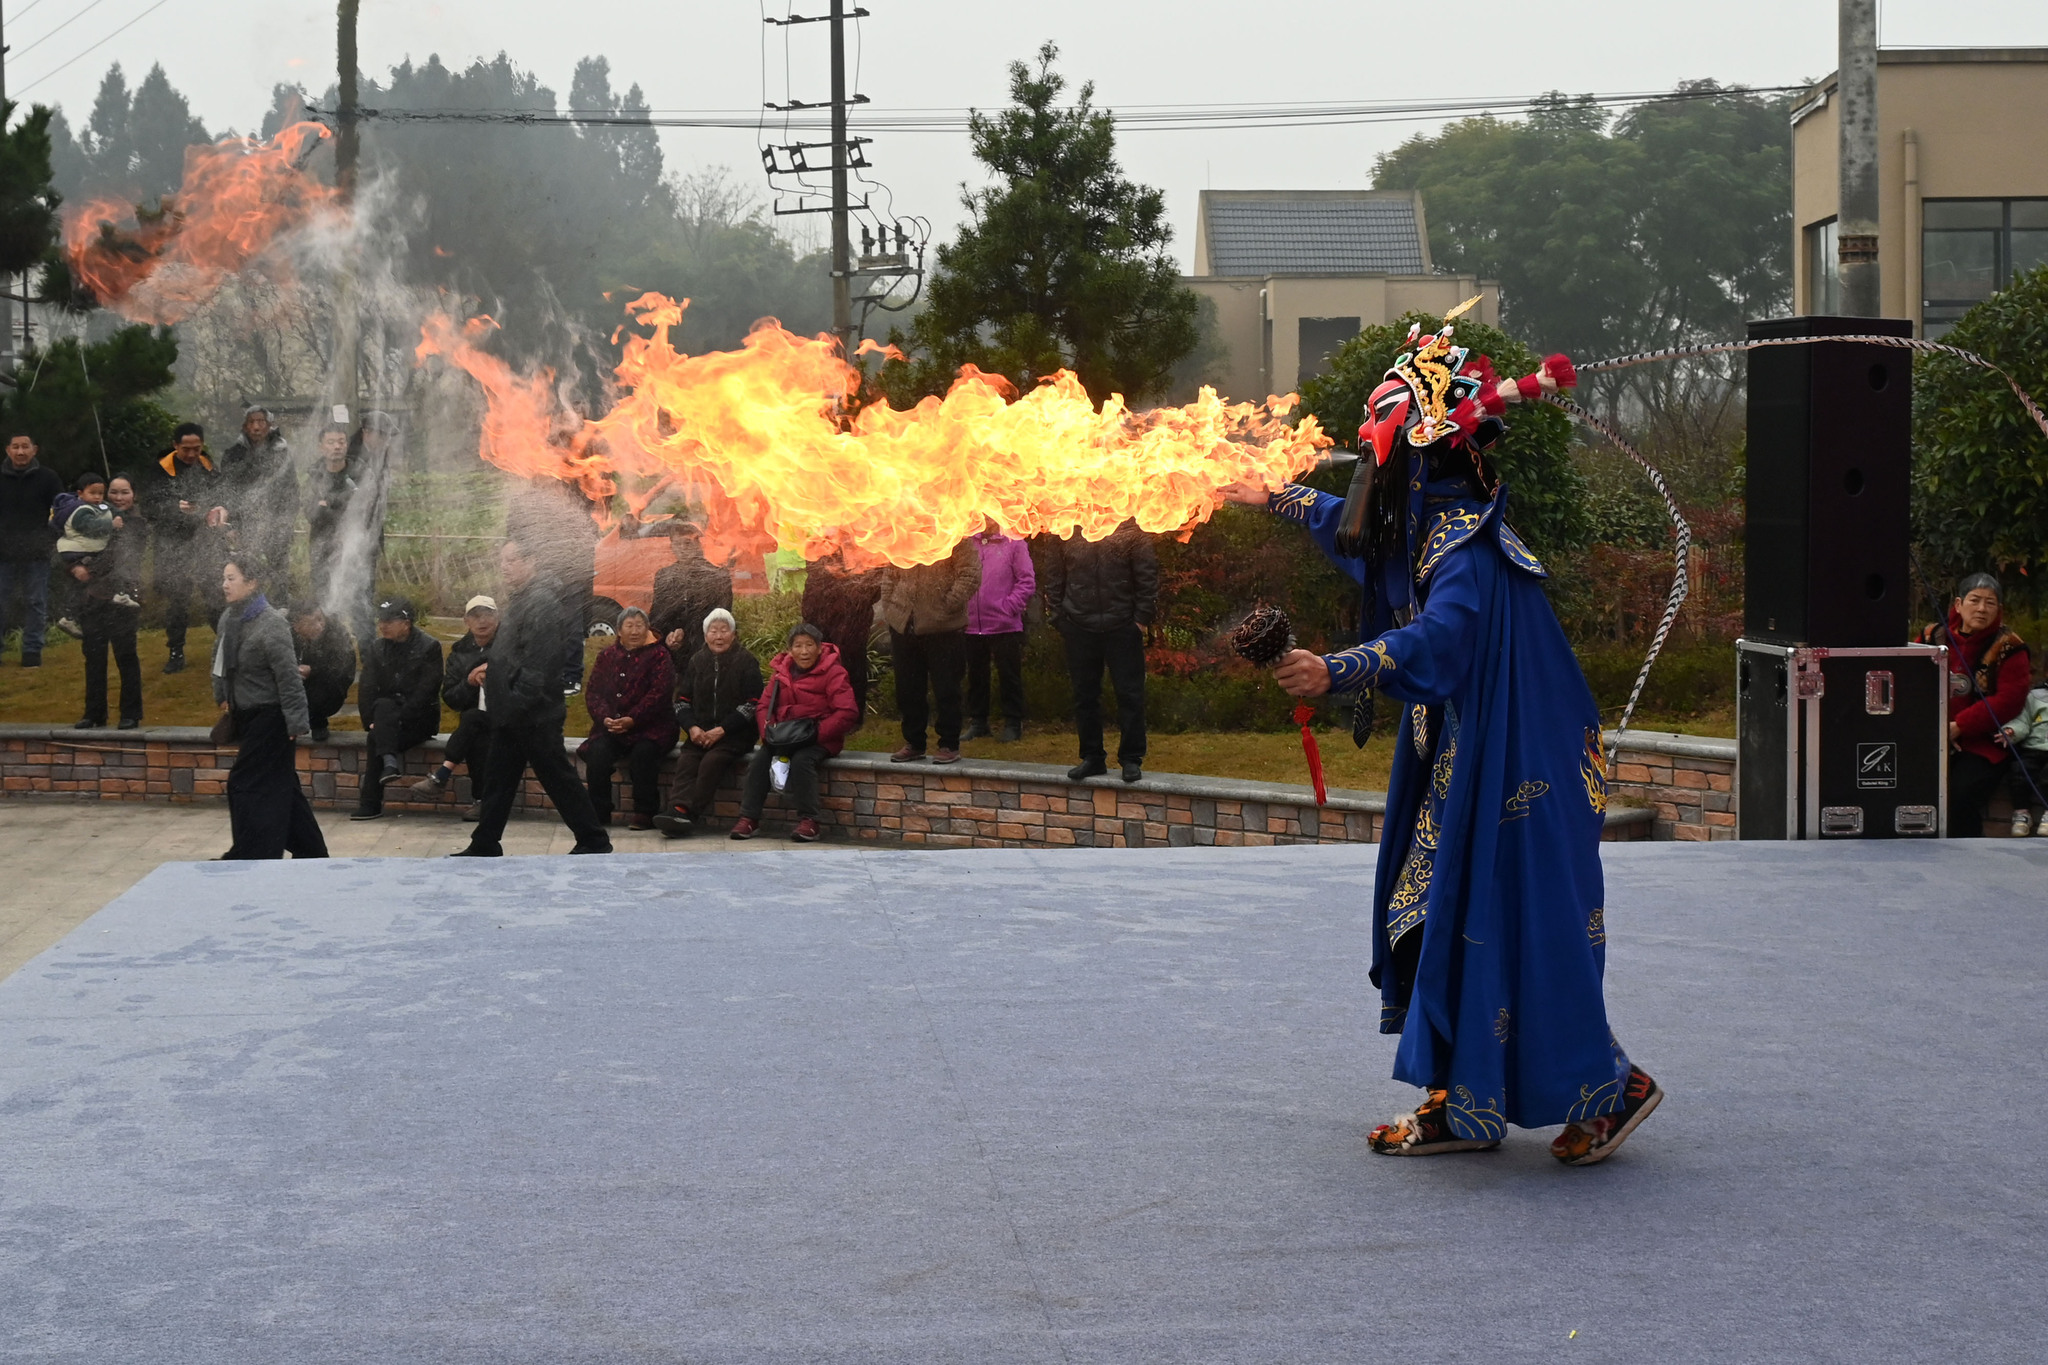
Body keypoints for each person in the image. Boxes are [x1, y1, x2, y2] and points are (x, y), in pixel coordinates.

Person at [1228, 309, 1660, 1165]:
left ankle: (1614, 1087)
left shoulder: (1465, 546)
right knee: (1429, 908)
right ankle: (1460, 1102)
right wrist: (1272, 493)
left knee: (1519, 920)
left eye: (1381, 452)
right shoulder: (1431, 528)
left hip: (1519, 758)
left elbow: (1440, 642)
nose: (1370, 471)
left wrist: (1339, 669)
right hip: (1466, 745)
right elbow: (1363, 539)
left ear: (1419, 456)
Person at [452, 538, 613, 857]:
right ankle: (485, 841)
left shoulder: (541, 601)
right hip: (514, 712)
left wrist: (513, 702)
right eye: (503, 561)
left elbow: (540, 662)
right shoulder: (524, 598)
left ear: (531, 562)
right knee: (498, 779)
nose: (504, 567)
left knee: (557, 778)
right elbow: (516, 653)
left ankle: (594, 839)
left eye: (511, 561)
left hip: (531, 714)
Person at [212, 552, 327, 861]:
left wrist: (296, 723)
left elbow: (288, 676)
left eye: (231, 578)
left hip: (272, 718)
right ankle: (312, 852)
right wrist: (221, 694)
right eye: (224, 578)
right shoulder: (229, 618)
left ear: (252, 583)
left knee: (243, 784)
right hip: (246, 716)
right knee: (283, 788)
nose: (225, 584)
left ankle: (251, 853)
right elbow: (220, 661)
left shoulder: (272, 624)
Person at [1040, 520, 1158, 783]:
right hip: (1079, 625)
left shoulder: (1129, 527)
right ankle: (1092, 757)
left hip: (1122, 624)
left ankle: (1131, 758)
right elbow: (1053, 575)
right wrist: (1059, 618)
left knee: (1130, 694)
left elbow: (1147, 574)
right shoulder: (1064, 524)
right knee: (1085, 695)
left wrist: (1140, 620)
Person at [1917, 573, 2031, 838]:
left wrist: (1961, 726)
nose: (1981, 609)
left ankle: (1964, 860)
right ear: (1958, 604)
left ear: (1999, 609)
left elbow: (2009, 701)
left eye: (1990, 603)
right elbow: (1910, 681)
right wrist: (1936, 728)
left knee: (1960, 796)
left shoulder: (2010, 647)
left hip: (1984, 743)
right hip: (1931, 735)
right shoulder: (1932, 636)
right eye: (1975, 600)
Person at [730, 622, 859, 843]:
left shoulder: (834, 672)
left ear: (820, 648)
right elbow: (763, 706)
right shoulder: (781, 673)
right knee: (760, 760)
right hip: (784, 736)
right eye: (798, 646)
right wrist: (768, 733)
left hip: (819, 738)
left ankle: (810, 821)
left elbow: (847, 712)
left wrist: (817, 733)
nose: (804, 651)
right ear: (790, 649)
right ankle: (749, 818)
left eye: (810, 645)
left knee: (801, 761)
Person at [655, 607, 763, 837]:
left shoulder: (746, 661)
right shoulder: (697, 661)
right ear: (706, 636)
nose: (719, 636)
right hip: (700, 732)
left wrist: (722, 730)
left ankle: (689, 814)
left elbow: (752, 703)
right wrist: (692, 728)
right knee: (687, 761)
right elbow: (681, 701)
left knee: (711, 762)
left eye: (725, 630)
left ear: (734, 635)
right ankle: (677, 808)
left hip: (734, 735)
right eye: (713, 631)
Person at [879, 537, 980, 765]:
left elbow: (970, 574)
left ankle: (948, 744)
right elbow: (889, 575)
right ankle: (914, 743)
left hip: (943, 628)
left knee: (947, 689)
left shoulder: (954, 534)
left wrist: (947, 605)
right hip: (903, 625)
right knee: (908, 689)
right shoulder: (902, 535)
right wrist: (891, 606)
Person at [578, 606, 678, 830]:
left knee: (644, 754)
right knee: (598, 753)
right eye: (629, 626)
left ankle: (645, 811)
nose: (635, 631)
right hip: (612, 726)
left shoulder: (660, 655)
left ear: (647, 628)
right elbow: (593, 693)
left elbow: (659, 695)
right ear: (619, 631)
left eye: (639, 625)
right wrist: (605, 719)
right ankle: (599, 811)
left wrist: (632, 719)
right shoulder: (607, 657)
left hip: (652, 727)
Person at [144, 422, 229, 675]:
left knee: (215, 595)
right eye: (186, 449)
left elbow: (223, 496)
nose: (192, 454)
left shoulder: (209, 467)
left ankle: (227, 647)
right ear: (175, 445)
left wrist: (221, 509)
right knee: (178, 600)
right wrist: (174, 508)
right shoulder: (159, 471)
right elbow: (149, 507)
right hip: (172, 544)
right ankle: (176, 651)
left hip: (206, 543)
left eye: (197, 448)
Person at [350, 596, 444, 820]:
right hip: (385, 717)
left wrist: (392, 722)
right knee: (379, 719)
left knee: (379, 733)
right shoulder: (377, 647)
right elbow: (367, 687)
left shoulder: (429, 647)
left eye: (389, 621)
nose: (382, 625)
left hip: (418, 720)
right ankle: (388, 765)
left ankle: (371, 802)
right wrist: (370, 722)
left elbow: (426, 692)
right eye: (380, 620)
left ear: (406, 623)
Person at [505, 475, 600, 694]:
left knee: (571, 626)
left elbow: (588, 532)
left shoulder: (574, 501)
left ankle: (571, 676)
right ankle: (530, 669)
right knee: (534, 621)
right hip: (537, 575)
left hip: (571, 575)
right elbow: (513, 536)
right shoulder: (526, 505)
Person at [410, 595, 498, 818]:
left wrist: (495, 667)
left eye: (488, 615)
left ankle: (442, 775)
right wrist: (469, 681)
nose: (482, 621)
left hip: (507, 715)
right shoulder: (459, 652)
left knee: (473, 721)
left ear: (497, 618)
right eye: (476, 616)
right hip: (477, 720)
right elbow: (450, 697)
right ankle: (482, 802)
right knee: (475, 729)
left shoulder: (509, 645)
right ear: (466, 621)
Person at [76, 473, 147, 730]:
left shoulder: (138, 525)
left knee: (126, 656)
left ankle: (131, 713)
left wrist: (90, 570)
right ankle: (94, 713)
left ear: (134, 495)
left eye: (124, 492)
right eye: (114, 492)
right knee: (93, 658)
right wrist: (74, 565)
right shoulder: (94, 520)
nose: (119, 497)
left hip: (123, 599)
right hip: (93, 600)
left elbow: (119, 558)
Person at [963, 525, 1035, 743]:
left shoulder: (1014, 542)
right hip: (971, 623)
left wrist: (1008, 608)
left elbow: (1027, 580)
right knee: (976, 676)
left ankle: (1013, 723)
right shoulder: (967, 542)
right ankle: (978, 722)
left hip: (1005, 625)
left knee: (1009, 676)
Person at [216, 405, 297, 591]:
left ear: (269, 425)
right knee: (246, 569)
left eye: (261, 421)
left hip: (276, 523)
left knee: (279, 572)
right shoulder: (234, 454)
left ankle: (280, 610)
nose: (256, 427)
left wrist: (286, 521)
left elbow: (291, 490)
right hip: (245, 525)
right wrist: (233, 524)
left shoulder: (282, 453)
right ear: (245, 427)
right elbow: (228, 490)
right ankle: (247, 610)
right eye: (251, 422)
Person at [0, 432, 63, 667]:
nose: (20, 452)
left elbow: (61, 511)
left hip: (37, 552)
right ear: (7, 450)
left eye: (25, 447)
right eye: (15, 447)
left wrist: (49, 538)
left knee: (36, 602)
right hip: (2, 552)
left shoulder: (48, 478)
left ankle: (32, 650)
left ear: (34, 450)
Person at [801, 548, 882, 721]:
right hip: (819, 613)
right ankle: (822, 711)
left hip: (852, 615)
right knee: (819, 663)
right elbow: (813, 573)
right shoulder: (818, 538)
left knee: (851, 662)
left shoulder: (862, 540)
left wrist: (857, 600)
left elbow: (875, 580)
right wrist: (810, 611)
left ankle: (852, 715)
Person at [649, 521, 735, 667]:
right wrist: (668, 635)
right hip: (673, 654)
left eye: (687, 543)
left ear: (698, 545)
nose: (682, 549)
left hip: (707, 652)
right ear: (672, 547)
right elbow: (657, 616)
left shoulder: (718, 576)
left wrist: (687, 634)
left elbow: (722, 617)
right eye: (678, 544)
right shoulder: (664, 576)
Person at [51, 471, 115, 639]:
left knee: (85, 584)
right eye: (92, 493)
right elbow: (89, 526)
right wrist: (111, 524)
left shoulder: (97, 507)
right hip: (76, 552)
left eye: (100, 493)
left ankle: (72, 617)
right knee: (83, 582)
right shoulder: (81, 510)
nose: (97, 497)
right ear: (80, 493)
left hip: (81, 551)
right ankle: (69, 616)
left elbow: (113, 511)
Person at [287, 603, 357, 742]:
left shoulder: (336, 632)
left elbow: (342, 668)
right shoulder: (287, 635)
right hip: (295, 687)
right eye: (311, 623)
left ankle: (318, 724)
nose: (319, 626)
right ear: (297, 626)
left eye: (320, 619)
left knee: (317, 691)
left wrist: (313, 670)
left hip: (331, 688)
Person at [305, 424, 356, 602]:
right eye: (331, 442)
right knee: (322, 598)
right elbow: (311, 514)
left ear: (347, 445)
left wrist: (327, 504)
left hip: (352, 546)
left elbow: (360, 509)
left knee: (353, 598)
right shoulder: (313, 476)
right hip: (321, 547)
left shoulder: (359, 474)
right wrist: (336, 505)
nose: (336, 447)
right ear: (321, 447)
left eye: (341, 442)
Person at [2002, 674, 2048, 837]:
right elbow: (2022, 721)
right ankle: (2022, 814)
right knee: (2018, 772)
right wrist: (2011, 731)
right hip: (2034, 748)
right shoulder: (2035, 696)